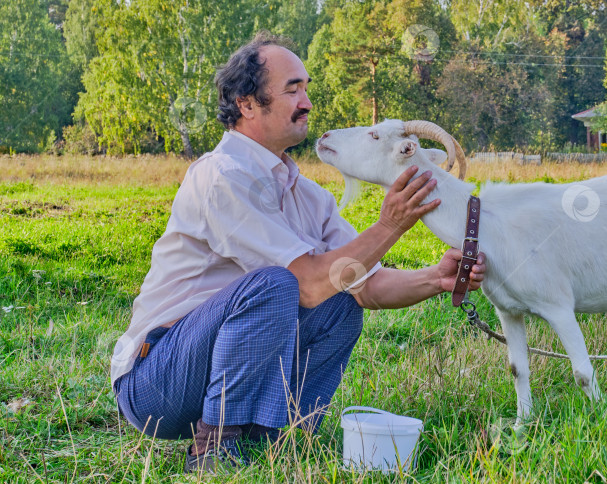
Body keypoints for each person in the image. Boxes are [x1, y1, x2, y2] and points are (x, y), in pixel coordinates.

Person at [110, 31, 486, 473]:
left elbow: (362, 283)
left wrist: (435, 279)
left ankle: (278, 438)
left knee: (341, 306)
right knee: (277, 284)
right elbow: (307, 283)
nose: (307, 102)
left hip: (208, 366)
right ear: (247, 103)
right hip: (158, 382)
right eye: (293, 89)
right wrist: (390, 225)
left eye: (306, 88)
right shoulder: (222, 176)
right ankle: (214, 448)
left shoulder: (307, 196)